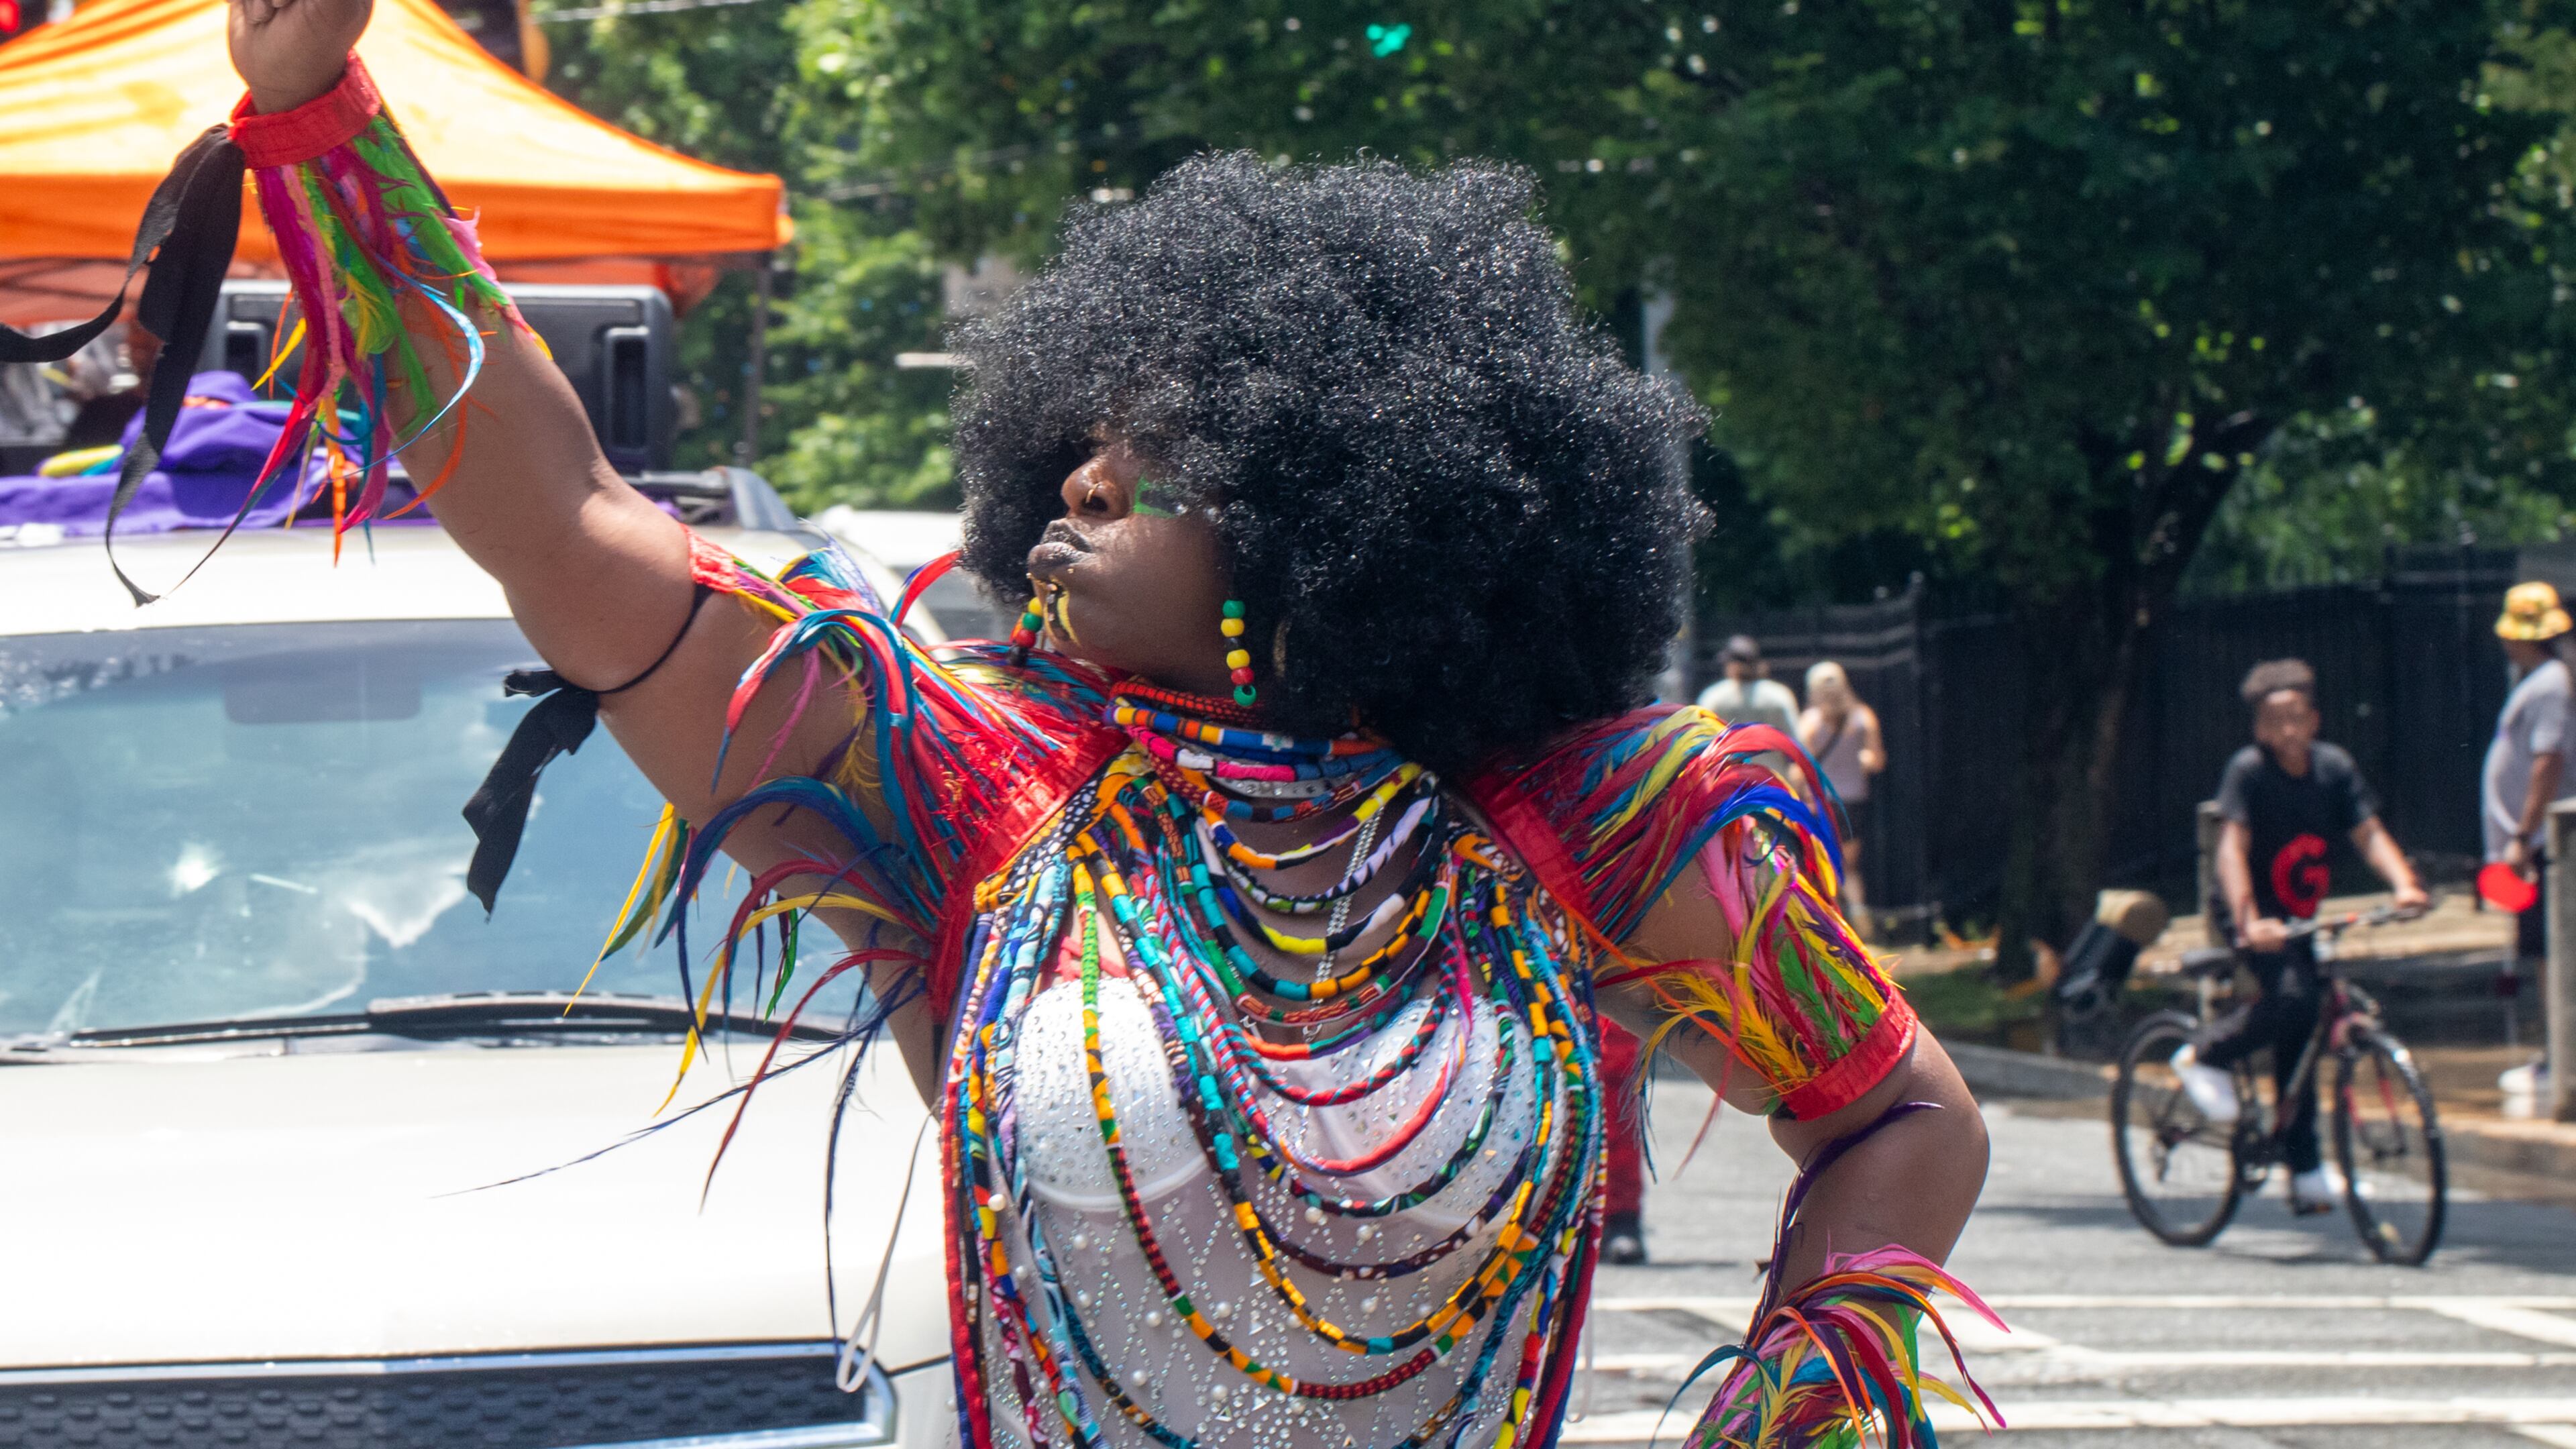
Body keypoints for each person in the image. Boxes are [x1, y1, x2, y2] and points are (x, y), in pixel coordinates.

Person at [203, 11, 1994, 1444]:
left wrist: (1799, 1408)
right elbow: (570, 525)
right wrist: (329, 122)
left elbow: (1905, 1120)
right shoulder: (975, 796)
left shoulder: (1577, 836)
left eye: (1161, 450)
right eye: (1084, 427)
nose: (1082, 468)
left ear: (1329, 514)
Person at [2174, 659, 2427, 1214]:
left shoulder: (2334, 768)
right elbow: (2231, 849)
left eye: (2297, 717)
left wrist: (2405, 884)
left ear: (2314, 719)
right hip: (2251, 914)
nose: (2287, 731)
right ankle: (2205, 1056)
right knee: (2292, 998)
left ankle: (2306, 1167)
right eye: (2273, 721)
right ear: (2259, 729)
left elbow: (2368, 831)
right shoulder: (2249, 772)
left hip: (2300, 914)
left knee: (2306, 1032)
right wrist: (2247, 921)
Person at [2483, 582, 2573, 1097]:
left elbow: (2548, 760)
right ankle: (2558, 1054)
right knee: (2543, 950)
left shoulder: (2550, 686)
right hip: (2536, 842)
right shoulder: (2544, 681)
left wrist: (2521, 836)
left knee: (2549, 951)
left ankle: (2560, 1060)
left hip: (2539, 844)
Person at [1799, 661, 1884, 927]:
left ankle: (1831, 921)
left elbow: (1803, 767)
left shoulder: (1810, 722)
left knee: (1823, 863)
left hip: (1823, 802)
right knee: (1849, 865)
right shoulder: (1863, 717)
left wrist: (1805, 797)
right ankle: (1858, 913)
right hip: (1854, 801)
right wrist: (1862, 760)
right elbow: (1878, 760)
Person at [1695, 634, 1800, 737]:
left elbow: (1701, 738)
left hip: (1728, 754)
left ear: (1733, 665)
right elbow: (1796, 741)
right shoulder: (1779, 695)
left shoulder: (1714, 697)